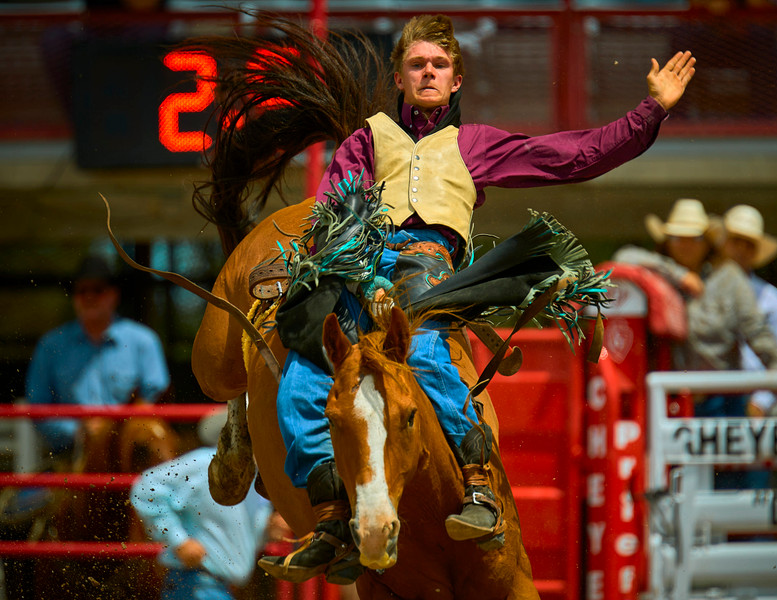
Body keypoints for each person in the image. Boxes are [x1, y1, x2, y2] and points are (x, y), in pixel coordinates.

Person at [186, 13, 696, 583]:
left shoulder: (474, 145)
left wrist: (652, 111)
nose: (428, 73)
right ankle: (330, 512)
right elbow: (334, 206)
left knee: (426, 351)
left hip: (429, 263)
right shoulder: (367, 139)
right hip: (359, 261)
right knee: (305, 374)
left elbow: (574, 154)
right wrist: (327, 268)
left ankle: (476, 480)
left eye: (438, 65)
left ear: (455, 80)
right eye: (417, 65)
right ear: (400, 78)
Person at [613, 198, 777, 488]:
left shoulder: (729, 279)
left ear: (707, 243)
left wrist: (767, 394)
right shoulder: (657, 276)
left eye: (694, 238)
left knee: (735, 490)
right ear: (667, 242)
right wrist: (679, 274)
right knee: (679, 496)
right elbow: (624, 256)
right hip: (673, 405)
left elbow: (762, 338)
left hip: (723, 401)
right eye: (678, 237)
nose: (686, 245)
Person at [25, 254, 170, 462]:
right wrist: (78, 429)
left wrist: (113, 430)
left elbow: (155, 400)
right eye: (81, 291)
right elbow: (37, 407)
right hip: (71, 456)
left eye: (98, 290)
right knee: (27, 495)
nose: (89, 297)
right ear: (74, 297)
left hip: (130, 456)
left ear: (114, 294)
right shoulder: (50, 346)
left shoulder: (144, 341)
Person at [130, 409, 273, 600]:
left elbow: (238, 535)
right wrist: (179, 540)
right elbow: (147, 487)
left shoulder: (254, 478)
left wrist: (268, 531)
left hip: (207, 586)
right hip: (197, 585)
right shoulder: (206, 462)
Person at [721, 204, 777, 416]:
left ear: (755, 251)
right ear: (724, 244)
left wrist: (762, 401)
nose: (741, 250)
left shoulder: (769, 297)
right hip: (710, 400)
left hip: (754, 402)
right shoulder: (705, 290)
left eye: (748, 244)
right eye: (735, 241)